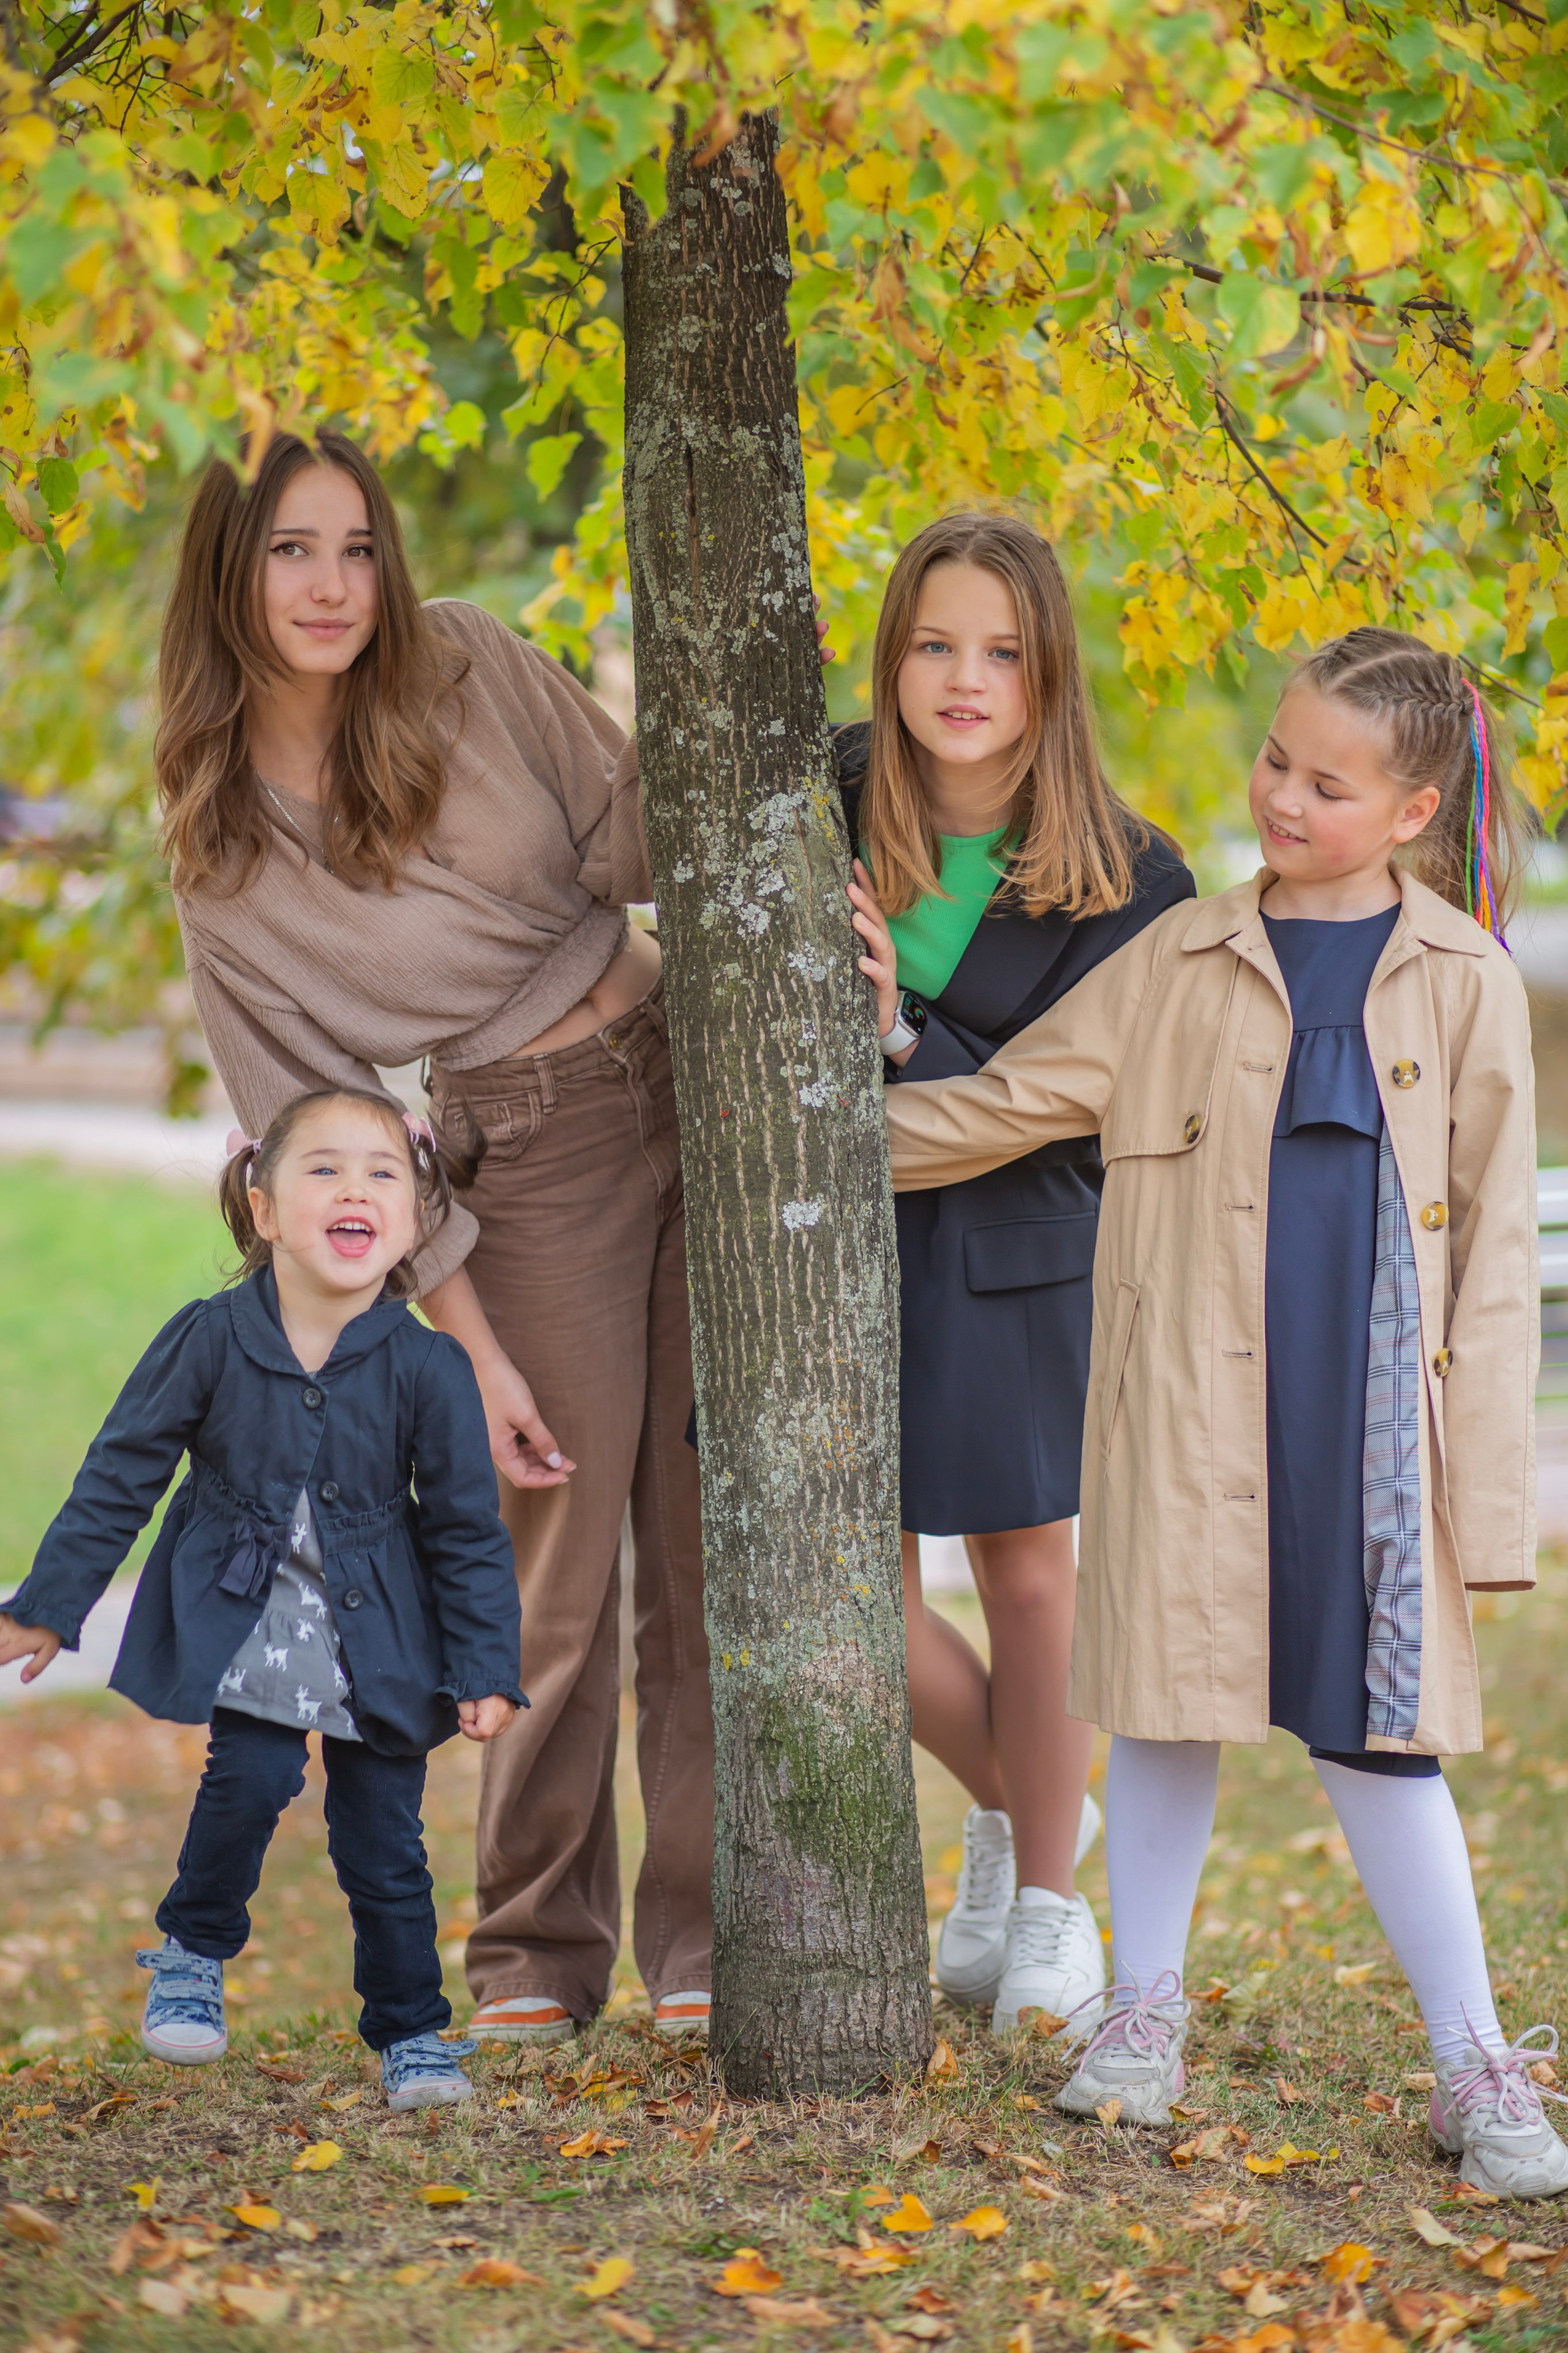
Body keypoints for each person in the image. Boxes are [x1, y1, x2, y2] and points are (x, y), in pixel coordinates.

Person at [881, 626, 1568, 2199]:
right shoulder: (1179, 956)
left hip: (1372, 1420)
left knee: (1376, 1738)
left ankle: (1472, 2061)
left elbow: (1497, 1244)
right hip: (1185, 1406)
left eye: (1326, 784)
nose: (1279, 795)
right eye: (1274, 760)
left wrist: (1480, 1492)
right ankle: (1140, 2016)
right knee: (1165, 1706)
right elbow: (1006, 1105)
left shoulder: (1465, 981)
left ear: (1407, 811)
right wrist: (810, 1121)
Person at [154, 428, 712, 2044]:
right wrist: (458, 1347)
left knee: (702, 1545)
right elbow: (322, 1132)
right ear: (227, 574)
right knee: (554, 1559)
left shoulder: (465, 659)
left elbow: (641, 842)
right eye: (289, 551)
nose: (334, 586)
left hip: (698, 1071)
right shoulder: (226, 856)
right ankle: (536, 1947)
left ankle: (699, 1932)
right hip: (523, 1157)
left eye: (356, 547)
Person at [0, 1089, 525, 2110]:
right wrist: (50, 1604)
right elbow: (123, 1473)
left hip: (384, 1635)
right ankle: (193, 1951)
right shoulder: (209, 1337)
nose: (354, 1188)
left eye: (382, 1173)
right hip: (247, 1617)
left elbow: (466, 1530)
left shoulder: (430, 1364)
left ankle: (413, 2032)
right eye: (321, 1168)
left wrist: (485, 1667)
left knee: (385, 1842)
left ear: (412, 1220)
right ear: (264, 1205)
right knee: (248, 1778)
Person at [843, 513, 1194, 2035]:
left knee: (1025, 1574)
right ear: (893, 653)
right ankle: (1022, 1809)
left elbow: (1095, 1103)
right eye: (934, 643)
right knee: (836, 1580)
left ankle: (1045, 1904)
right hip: (827, 1249)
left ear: (1049, 669)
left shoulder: (1132, 874)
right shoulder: (823, 795)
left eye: (998, 650)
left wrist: (901, 1035)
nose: (963, 678)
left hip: (1018, 1244)